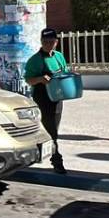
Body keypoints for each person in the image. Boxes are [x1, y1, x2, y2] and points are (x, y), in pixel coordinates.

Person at [24, 27, 68, 174]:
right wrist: (40, 79)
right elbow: (29, 80)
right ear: (41, 42)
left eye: (51, 41)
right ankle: (57, 161)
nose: (48, 44)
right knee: (52, 132)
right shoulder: (35, 60)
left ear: (56, 42)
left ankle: (34, 153)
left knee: (52, 130)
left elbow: (64, 73)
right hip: (43, 99)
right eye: (45, 42)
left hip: (57, 99)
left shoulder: (59, 57)